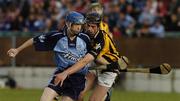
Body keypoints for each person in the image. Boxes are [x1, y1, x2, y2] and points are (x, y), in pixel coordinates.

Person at [7, 11, 90, 101]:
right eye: (77, 24)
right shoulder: (57, 36)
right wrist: (17, 50)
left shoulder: (85, 38)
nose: (79, 27)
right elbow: (34, 40)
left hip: (77, 79)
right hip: (60, 74)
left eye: (81, 25)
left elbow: (93, 55)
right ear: (69, 24)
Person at [54, 13, 127, 101]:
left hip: (109, 66)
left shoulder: (101, 39)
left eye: (93, 27)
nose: (90, 29)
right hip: (93, 62)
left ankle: (105, 96)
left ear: (98, 26)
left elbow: (91, 59)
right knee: (79, 94)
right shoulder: (83, 33)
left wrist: (114, 66)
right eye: (88, 26)